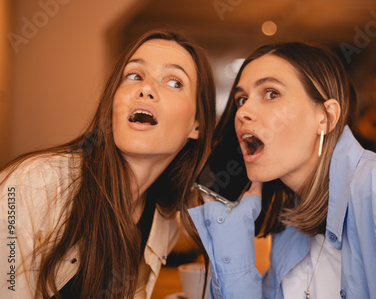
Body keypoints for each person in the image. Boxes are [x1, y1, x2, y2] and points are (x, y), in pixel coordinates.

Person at [188, 42, 376, 298]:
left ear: (325, 117)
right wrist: (231, 228)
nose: (243, 111)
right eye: (241, 99)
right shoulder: (292, 220)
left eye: (271, 93)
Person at [0, 29, 216, 298]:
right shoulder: (32, 184)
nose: (146, 88)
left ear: (197, 125)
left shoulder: (164, 220)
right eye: (134, 75)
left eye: (174, 82)